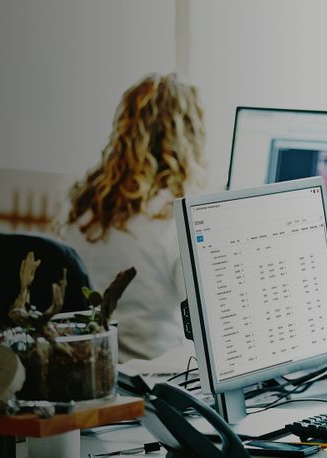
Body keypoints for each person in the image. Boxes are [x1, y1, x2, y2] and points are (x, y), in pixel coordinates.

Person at [61, 73, 205, 362]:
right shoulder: (174, 218)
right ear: (187, 136)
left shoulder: (84, 209)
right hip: (156, 382)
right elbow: (207, 317)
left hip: (91, 373)